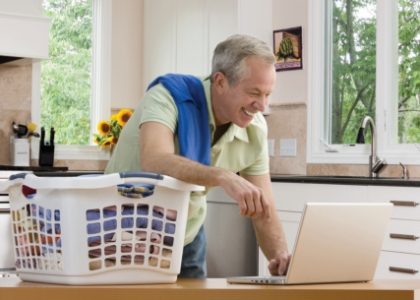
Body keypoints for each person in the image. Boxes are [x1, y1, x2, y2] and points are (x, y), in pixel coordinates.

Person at [105, 34, 290, 278]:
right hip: (123, 234)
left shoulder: (255, 130)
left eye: (268, 94)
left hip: (185, 236)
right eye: (254, 92)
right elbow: (155, 159)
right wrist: (223, 176)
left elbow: (263, 208)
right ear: (221, 82)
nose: (262, 105)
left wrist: (282, 260)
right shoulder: (168, 97)